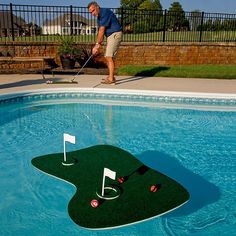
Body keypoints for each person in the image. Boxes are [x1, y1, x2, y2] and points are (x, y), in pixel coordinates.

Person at [88, 1, 122, 84]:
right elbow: (101, 32)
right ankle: (111, 77)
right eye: (90, 12)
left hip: (115, 34)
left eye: (93, 11)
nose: (92, 13)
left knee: (108, 56)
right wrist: (99, 44)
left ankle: (111, 79)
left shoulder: (104, 12)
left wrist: (96, 45)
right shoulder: (99, 17)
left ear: (97, 7)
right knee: (109, 57)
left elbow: (101, 30)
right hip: (110, 35)